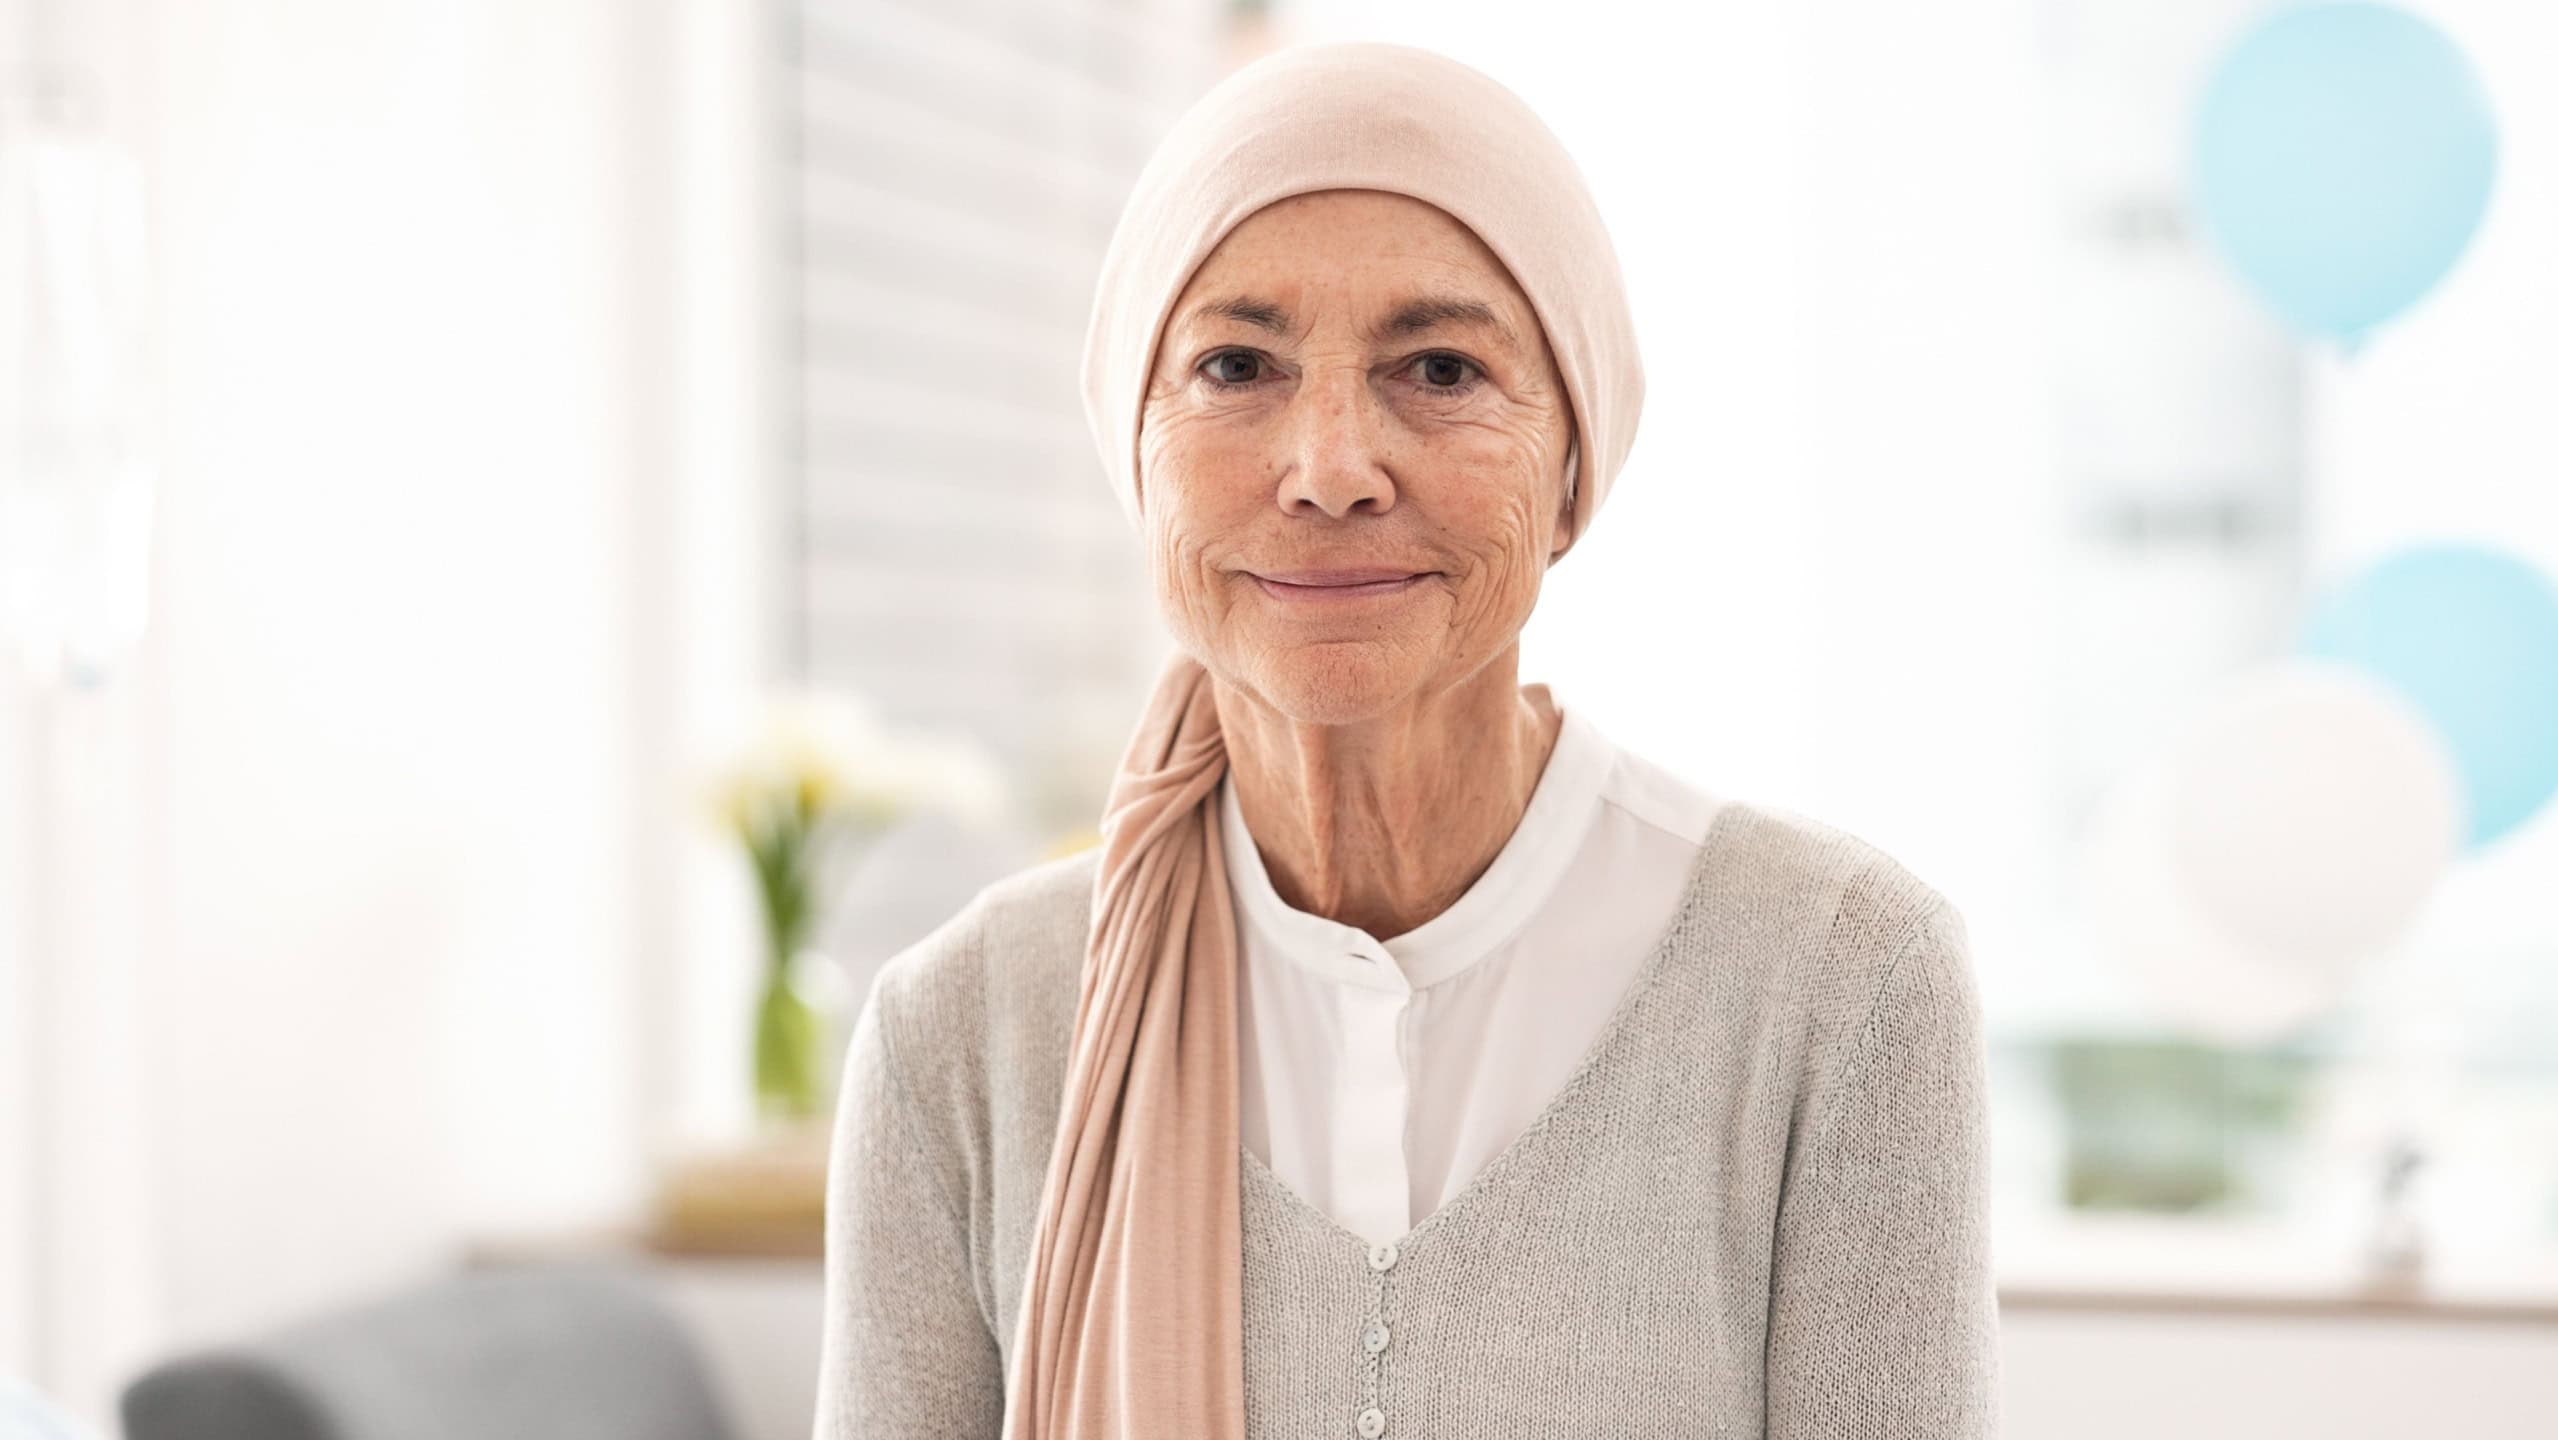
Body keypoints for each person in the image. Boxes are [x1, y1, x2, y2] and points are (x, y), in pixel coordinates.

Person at [814, 39, 1999, 1440]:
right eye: (1236, 365)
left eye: (1440, 367)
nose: (1330, 470)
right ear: (1135, 454)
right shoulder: (960, 1035)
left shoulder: (1843, 982)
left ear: (1575, 462)